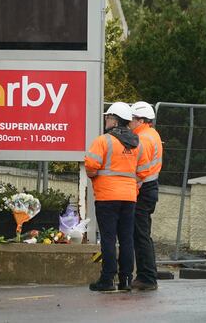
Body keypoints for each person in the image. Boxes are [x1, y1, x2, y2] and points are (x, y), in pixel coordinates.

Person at [84, 102, 141, 292]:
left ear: (115, 120)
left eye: (108, 117)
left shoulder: (104, 140)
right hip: (129, 197)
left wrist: (94, 176)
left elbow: (91, 166)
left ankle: (107, 280)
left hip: (107, 196)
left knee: (108, 238)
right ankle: (125, 280)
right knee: (126, 238)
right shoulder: (135, 143)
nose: (106, 120)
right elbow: (140, 172)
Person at [130, 101, 163, 291]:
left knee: (141, 234)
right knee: (143, 233)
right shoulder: (152, 134)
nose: (130, 122)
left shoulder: (142, 139)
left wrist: (131, 190)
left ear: (141, 120)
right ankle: (147, 275)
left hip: (143, 190)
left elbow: (140, 171)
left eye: (132, 119)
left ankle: (147, 277)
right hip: (150, 188)